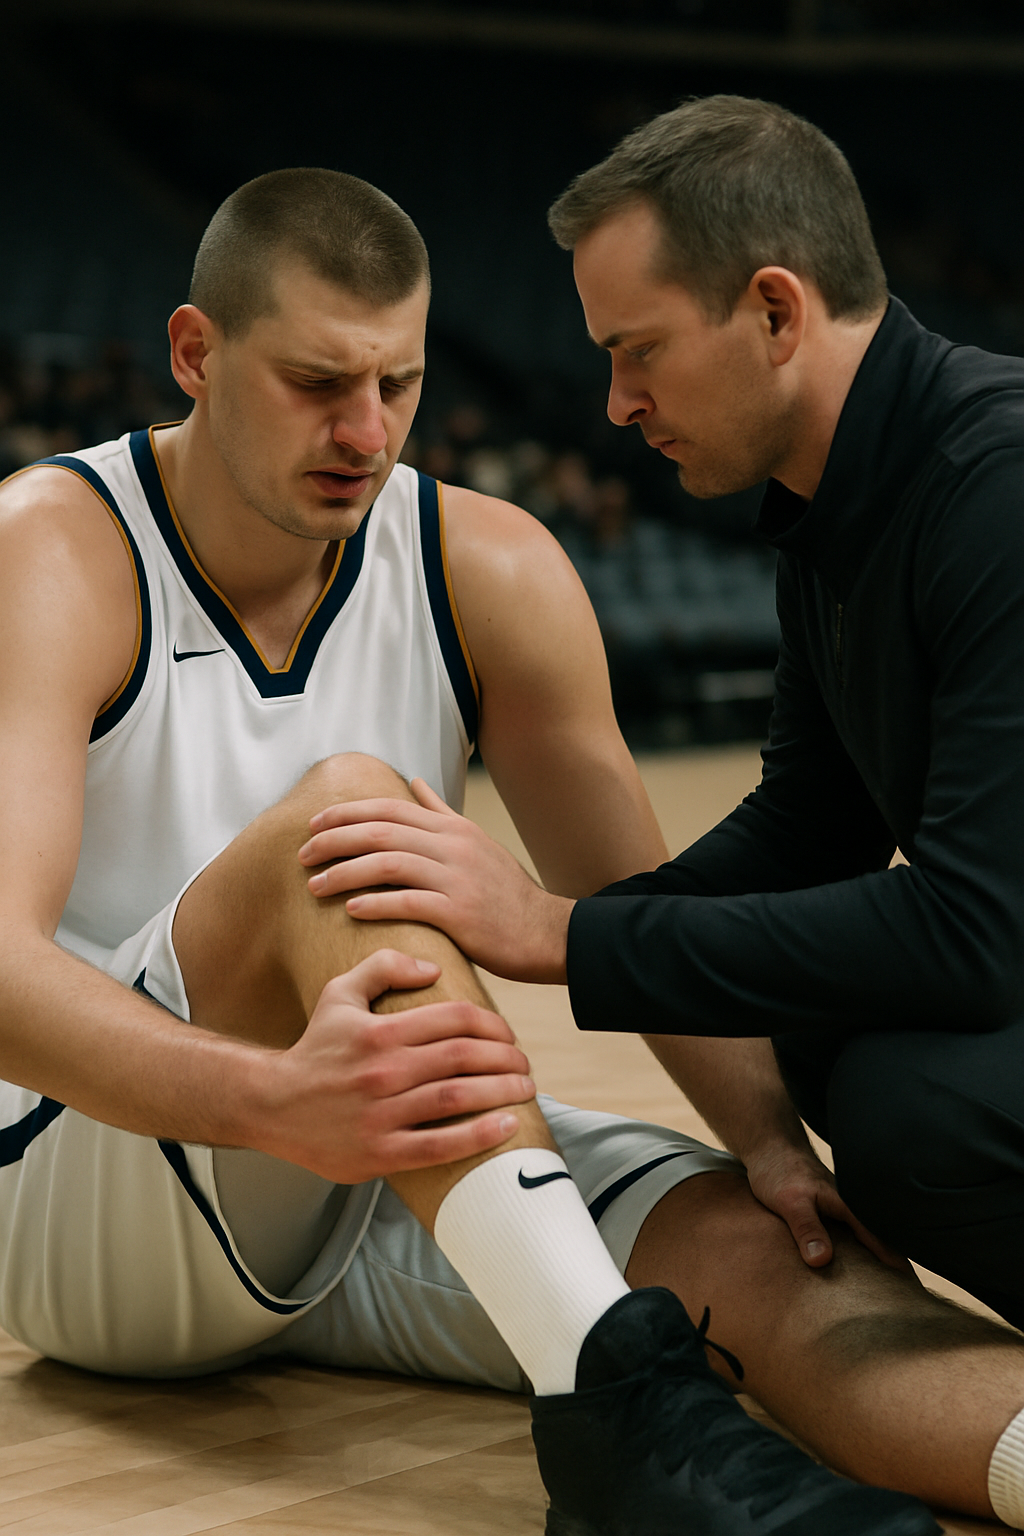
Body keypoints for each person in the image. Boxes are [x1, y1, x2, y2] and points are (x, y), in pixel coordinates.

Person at [0, 163, 1011, 1536]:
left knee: (789, 1261)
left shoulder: (490, 565)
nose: (366, 430)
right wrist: (274, 1102)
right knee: (353, 828)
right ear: (196, 353)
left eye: (399, 383)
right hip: (102, 1188)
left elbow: (627, 898)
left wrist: (770, 1145)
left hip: (388, 1161)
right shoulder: (53, 547)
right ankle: (618, 1429)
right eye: (317, 382)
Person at [305, 101, 1024, 1531]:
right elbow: (807, 829)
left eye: (638, 351)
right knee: (826, 1038)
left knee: (910, 1108)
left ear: (775, 311)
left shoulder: (995, 486)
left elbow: (976, 928)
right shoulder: (840, 504)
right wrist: (565, 924)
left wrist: (564, 938)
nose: (617, 404)